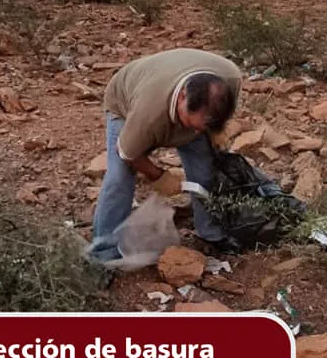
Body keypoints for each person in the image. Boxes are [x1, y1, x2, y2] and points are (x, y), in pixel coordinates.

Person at [86, 48, 244, 264]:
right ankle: (103, 253)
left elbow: (203, 121)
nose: (195, 133)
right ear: (182, 97)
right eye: (191, 124)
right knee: (119, 179)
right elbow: (126, 152)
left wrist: (214, 131)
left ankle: (210, 233)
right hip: (126, 101)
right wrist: (157, 175)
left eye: (201, 128)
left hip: (181, 97)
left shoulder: (231, 78)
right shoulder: (148, 114)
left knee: (205, 171)